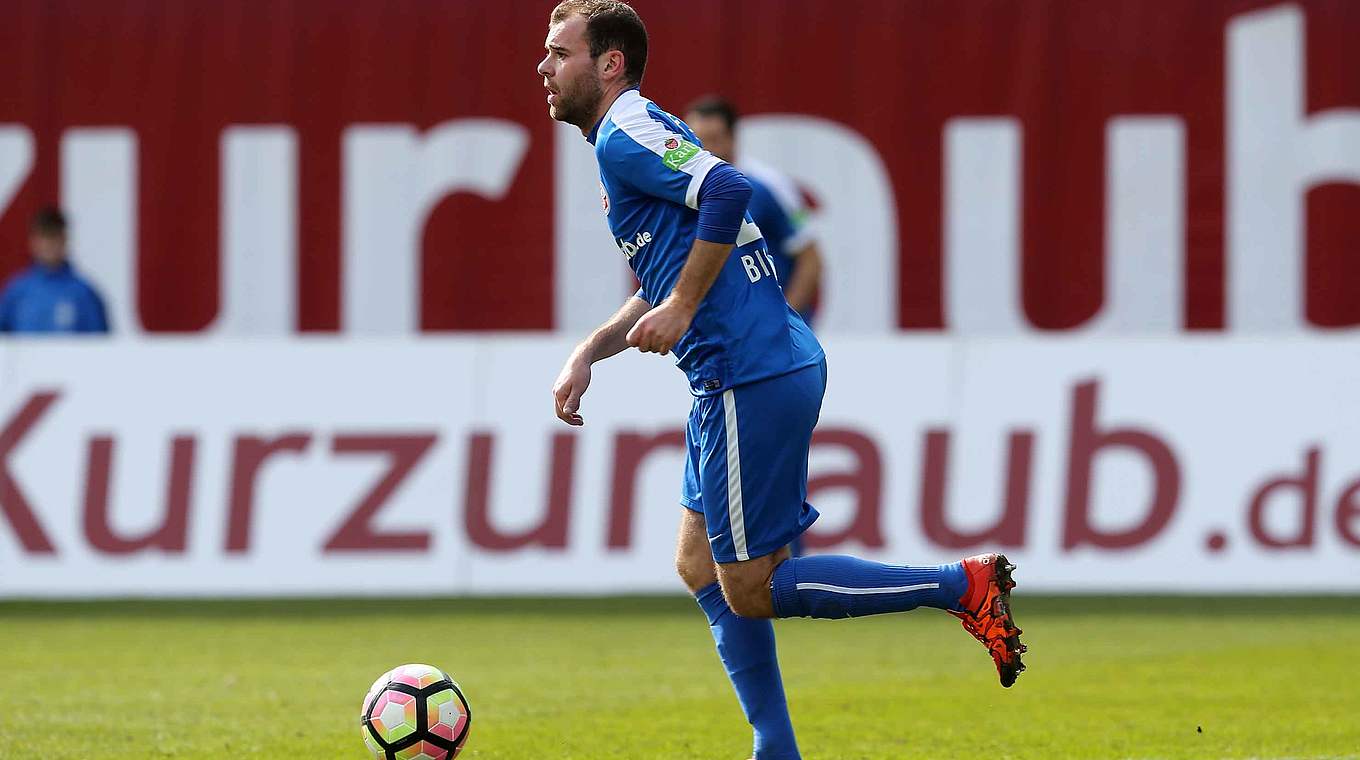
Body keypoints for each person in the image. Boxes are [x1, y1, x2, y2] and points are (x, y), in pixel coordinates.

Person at [537, 3, 1026, 758]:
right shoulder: (630, 136)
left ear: (609, 65)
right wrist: (589, 352)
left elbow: (729, 195)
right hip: (743, 369)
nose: (544, 66)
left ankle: (961, 586)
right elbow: (665, 270)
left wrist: (685, 305)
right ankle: (777, 747)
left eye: (560, 52)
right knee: (698, 562)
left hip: (748, 369)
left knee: (752, 586)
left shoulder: (628, 129)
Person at [684, 96, 824, 326]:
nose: (704, 149)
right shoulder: (685, 189)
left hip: (768, 332)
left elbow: (810, 259)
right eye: (696, 140)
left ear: (732, 138)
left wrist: (785, 322)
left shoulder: (767, 186)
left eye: (713, 139)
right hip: (721, 330)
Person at [0, 207, 110, 334]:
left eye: (54, 237)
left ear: (64, 240)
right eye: (44, 237)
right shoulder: (16, 291)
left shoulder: (84, 294)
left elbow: (100, 345)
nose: (49, 244)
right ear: (33, 241)